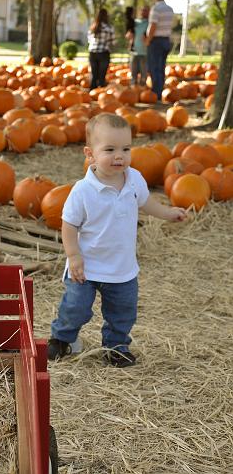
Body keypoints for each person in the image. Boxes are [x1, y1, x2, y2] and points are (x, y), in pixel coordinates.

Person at [48, 113, 187, 367]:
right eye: (110, 149)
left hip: (122, 268)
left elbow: (146, 203)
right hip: (86, 266)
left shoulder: (133, 179)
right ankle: (62, 339)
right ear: (89, 154)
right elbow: (68, 224)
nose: (119, 156)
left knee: (122, 312)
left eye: (125, 148)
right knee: (75, 308)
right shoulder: (83, 190)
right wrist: (74, 255)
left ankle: (116, 346)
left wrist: (168, 213)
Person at [146, 0, 174, 100]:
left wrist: (148, 40)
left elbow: (153, 26)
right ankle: (160, 90)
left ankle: (156, 93)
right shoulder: (170, 9)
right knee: (161, 67)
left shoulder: (156, 9)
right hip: (166, 40)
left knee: (154, 67)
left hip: (156, 41)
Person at [87, 8, 115, 90]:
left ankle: (92, 93)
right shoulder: (109, 28)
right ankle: (101, 94)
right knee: (102, 76)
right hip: (103, 53)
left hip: (92, 52)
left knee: (94, 74)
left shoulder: (93, 27)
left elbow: (89, 39)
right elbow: (112, 42)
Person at [130, 6, 149, 86]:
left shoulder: (150, 22)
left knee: (143, 72)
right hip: (134, 50)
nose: (143, 12)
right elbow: (130, 34)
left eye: (145, 11)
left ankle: (142, 87)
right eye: (142, 10)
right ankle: (133, 87)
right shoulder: (135, 22)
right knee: (133, 72)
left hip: (145, 51)